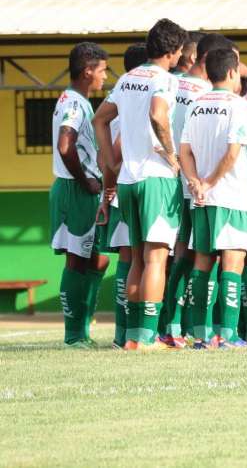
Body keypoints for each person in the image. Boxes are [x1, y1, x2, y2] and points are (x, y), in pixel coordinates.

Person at [93, 18, 188, 351]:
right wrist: (173, 156)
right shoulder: (165, 79)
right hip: (156, 179)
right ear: (174, 51)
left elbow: (100, 119)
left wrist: (111, 163)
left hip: (129, 181)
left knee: (136, 259)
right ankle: (147, 338)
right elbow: (158, 115)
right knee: (156, 259)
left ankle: (134, 337)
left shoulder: (128, 78)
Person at [159, 32, 237, 348]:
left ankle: (170, 325)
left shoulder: (169, 83)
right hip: (202, 185)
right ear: (206, 60)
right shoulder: (209, 95)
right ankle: (202, 329)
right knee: (205, 255)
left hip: (170, 178)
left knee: (178, 254)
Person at [179, 48, 247, 349]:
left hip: (202, 199)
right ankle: (229, 334)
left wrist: (195, 182)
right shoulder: (238, 105)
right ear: (234, 73)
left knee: (202, 265)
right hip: (231, 196)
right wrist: (209, 181)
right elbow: (233, 152)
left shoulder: (195, 105)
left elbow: (184, 151)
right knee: (232, 266)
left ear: (207, 74)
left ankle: (200, 335)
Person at [51, 42, 111, 349]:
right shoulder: (75, 104)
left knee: (97, 260)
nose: (105, 76)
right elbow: (65, 145)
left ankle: (83, 328)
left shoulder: (77, 100)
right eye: (102, 70)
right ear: (87, 71)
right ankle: (74, 335)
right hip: (75, 189)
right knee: (77, 261)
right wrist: (84, 179)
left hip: (84, 189)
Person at [95, 45, 147, 348]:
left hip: (117, 188)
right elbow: (116, 148)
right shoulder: (135, 100)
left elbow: (105, 155)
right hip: (131, 186)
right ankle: (136, 331)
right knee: (140, 258)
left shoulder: (114, 97)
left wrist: (107, 188)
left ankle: (122, 333)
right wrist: (112, 180)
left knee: (128, 260)